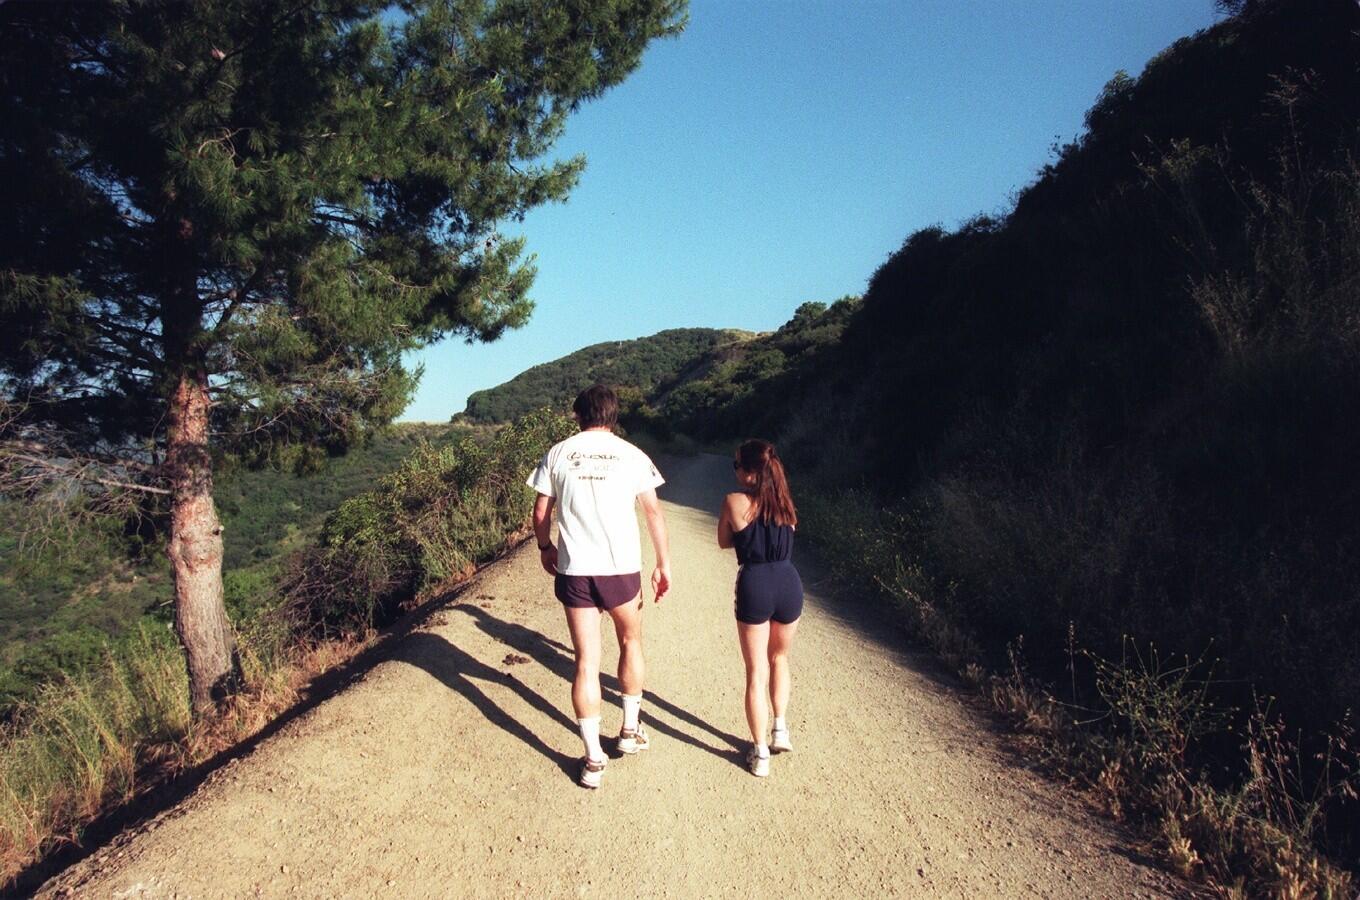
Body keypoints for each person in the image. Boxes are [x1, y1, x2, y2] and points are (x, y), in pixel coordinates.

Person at [527, 384, 672, 789]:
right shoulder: (632, 455)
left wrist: (544, 547)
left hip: (576, 571)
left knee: (585, 662)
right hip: (621, 570)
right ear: (613, 416)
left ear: (578, 415)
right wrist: (663, 563)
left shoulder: (558, 453)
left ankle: (593, 761)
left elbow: (541, 511)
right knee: (631, 644)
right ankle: (629, 731)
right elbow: (654, 512)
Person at [717, 439, 803, 777]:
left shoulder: (733, 502)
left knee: (756, 671)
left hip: (755, 583)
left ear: (751, 472)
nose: (735, 470)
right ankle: (780, 728)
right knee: (779, 658)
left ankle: (760, 753)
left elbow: (724, 542)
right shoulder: (786, 503)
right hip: (788, 582)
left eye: (737, 464)